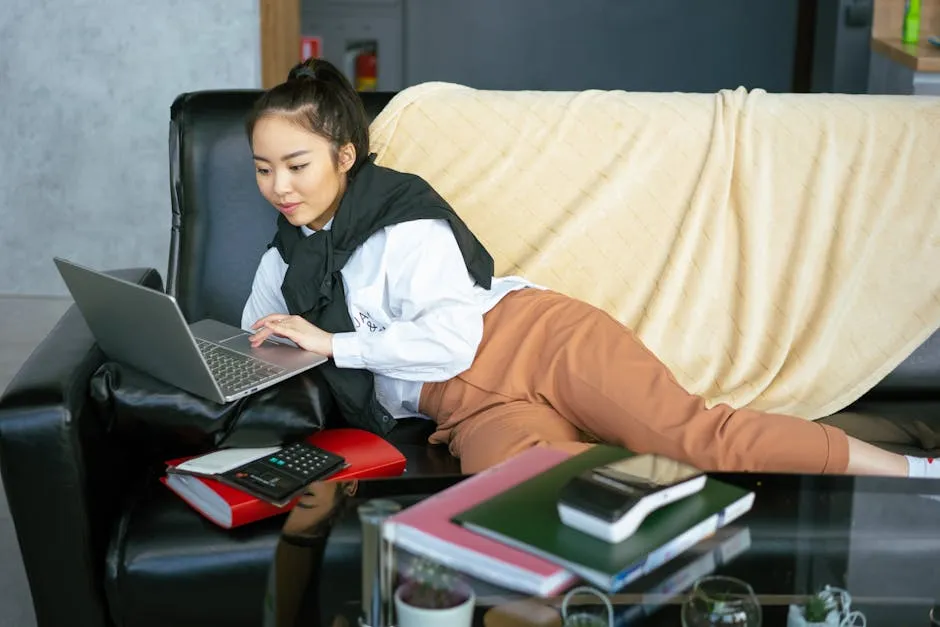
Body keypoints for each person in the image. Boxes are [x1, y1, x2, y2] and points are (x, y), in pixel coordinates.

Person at [241, 58, 936, 479]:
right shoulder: (285, 257)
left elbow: (452, 341)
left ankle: (915, 471)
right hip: (464, 409)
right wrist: (259, 344)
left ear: (344, 157)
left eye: (296, 166)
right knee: (525, 500)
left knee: (696, 439)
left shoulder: (404, 221)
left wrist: (330, 343)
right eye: (264, 169)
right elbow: (262, 331)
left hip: (535, 340)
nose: (280, 187)